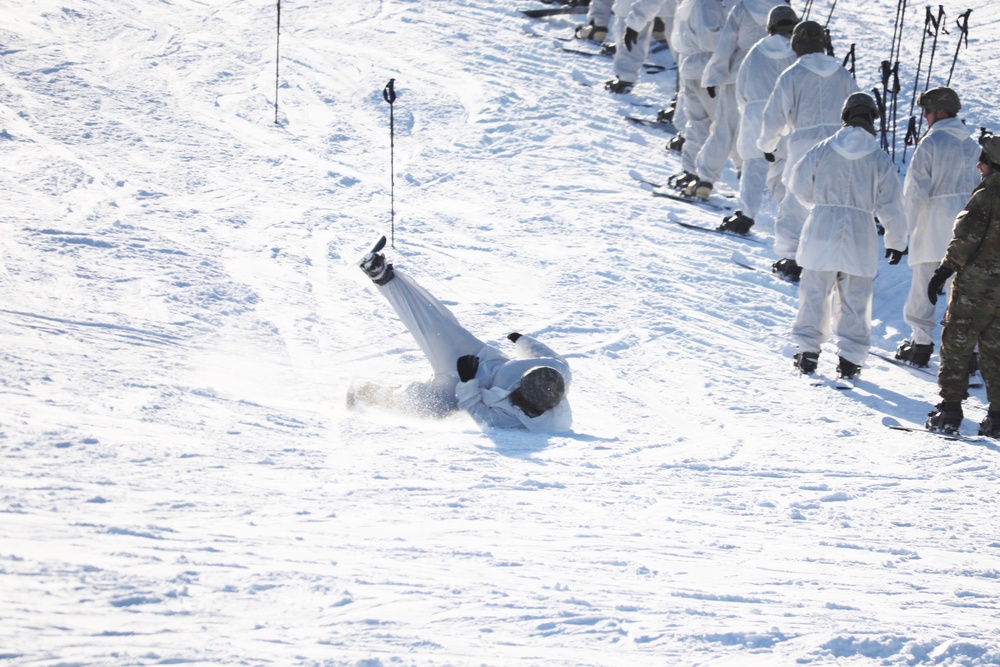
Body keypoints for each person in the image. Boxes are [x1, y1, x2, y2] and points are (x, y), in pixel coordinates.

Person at [350, 238, 572, 432]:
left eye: (523, 400)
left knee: (424, 404)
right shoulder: (557, 369)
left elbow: (474, 407)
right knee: (436, 328)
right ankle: (383, 275)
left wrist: (466, 381)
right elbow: (543, 352)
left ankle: (367, 393)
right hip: (479, 358)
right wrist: (521, 340)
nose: (517, 397)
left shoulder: (512, 420)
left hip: (460, 390)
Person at [786, 93, 907, 379]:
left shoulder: (823, 149)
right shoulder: (879, 158)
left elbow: (799, 183)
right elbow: (891, 203)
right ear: (872, 120)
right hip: (859, 232)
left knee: (814, 294)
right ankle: (850, 360)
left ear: (845, 115)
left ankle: (808, 353)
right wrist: (896, 241)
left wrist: (820, 203)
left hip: (822, 229)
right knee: (855, 300)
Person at [758, 20, 858, 281]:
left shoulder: (793, 74)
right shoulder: (843, 74)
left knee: (796, 201)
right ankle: (832, 261)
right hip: (839, 147)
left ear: (796, 44)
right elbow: (858, 111)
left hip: (804, 145)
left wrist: (768, 145)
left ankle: (793, 259)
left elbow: (775, 115)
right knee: (831, 203)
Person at [892, 87, 981, 368]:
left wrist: (901, 232)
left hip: (932, 223)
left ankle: (920, 344)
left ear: (940, 112)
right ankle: (967, 353)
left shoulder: (931, 143)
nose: (925, 117)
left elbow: (916, 189)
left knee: (923, 285)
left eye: (926, 111)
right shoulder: (973, 146)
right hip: (966, 227)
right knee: (963, 291)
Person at [925, 136, 1000, 436]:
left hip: (974, 289)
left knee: (957, 345)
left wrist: (943, 272)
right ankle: (997, 417)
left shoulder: (986, 195)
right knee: (996, 351)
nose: (978, 165)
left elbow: (966, 240)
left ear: (993, 165)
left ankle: (950, 411)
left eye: (983, 159)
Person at [682, 0, 784, 202]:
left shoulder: (743, 7)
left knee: (724, 128)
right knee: (766, 133)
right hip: (774, 77)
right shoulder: (782, 9)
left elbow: (725, 44)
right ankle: (757, 183)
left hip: (739, 72)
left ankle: (705, 180)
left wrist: (713, 75)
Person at [722, 4, 798, 234]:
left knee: (754, 167)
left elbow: (741, 87)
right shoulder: (797, 52)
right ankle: (788, 221)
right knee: (780, 172)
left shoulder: (756, 50)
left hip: (756, 115)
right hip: (786, 117)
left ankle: (745, 215)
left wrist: (749, 109)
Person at [667, 0, 732, 193]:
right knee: (720, 126)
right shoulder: (708, 4)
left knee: (697, 122)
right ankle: (703, 179)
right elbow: (710, 40)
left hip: (694, 66)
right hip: (710, 69)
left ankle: (692, 172)